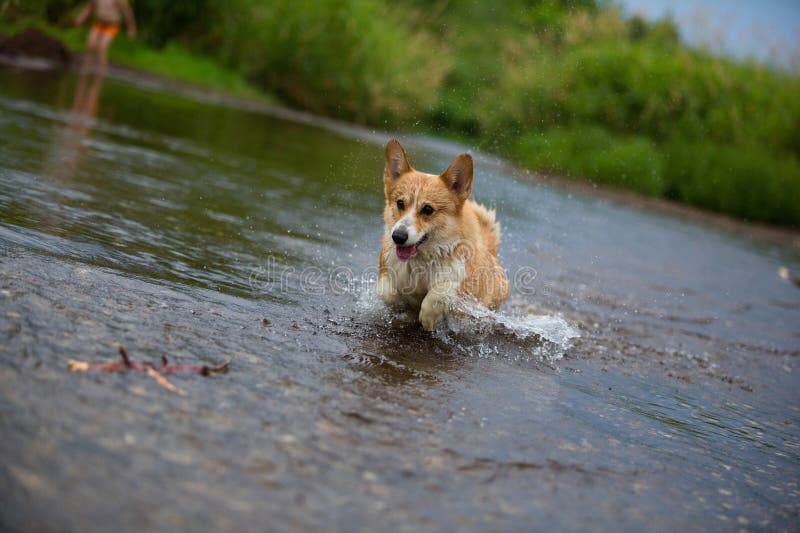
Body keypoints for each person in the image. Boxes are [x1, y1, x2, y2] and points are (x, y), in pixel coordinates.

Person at [73, 0, 136, 77]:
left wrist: (131, 27)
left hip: (112, 26)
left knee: (102, 47)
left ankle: (99, 74)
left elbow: (127, 11)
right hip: (99, 24)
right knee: (90, 44)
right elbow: (89, 7)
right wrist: (82, 16)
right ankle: (84, 70)